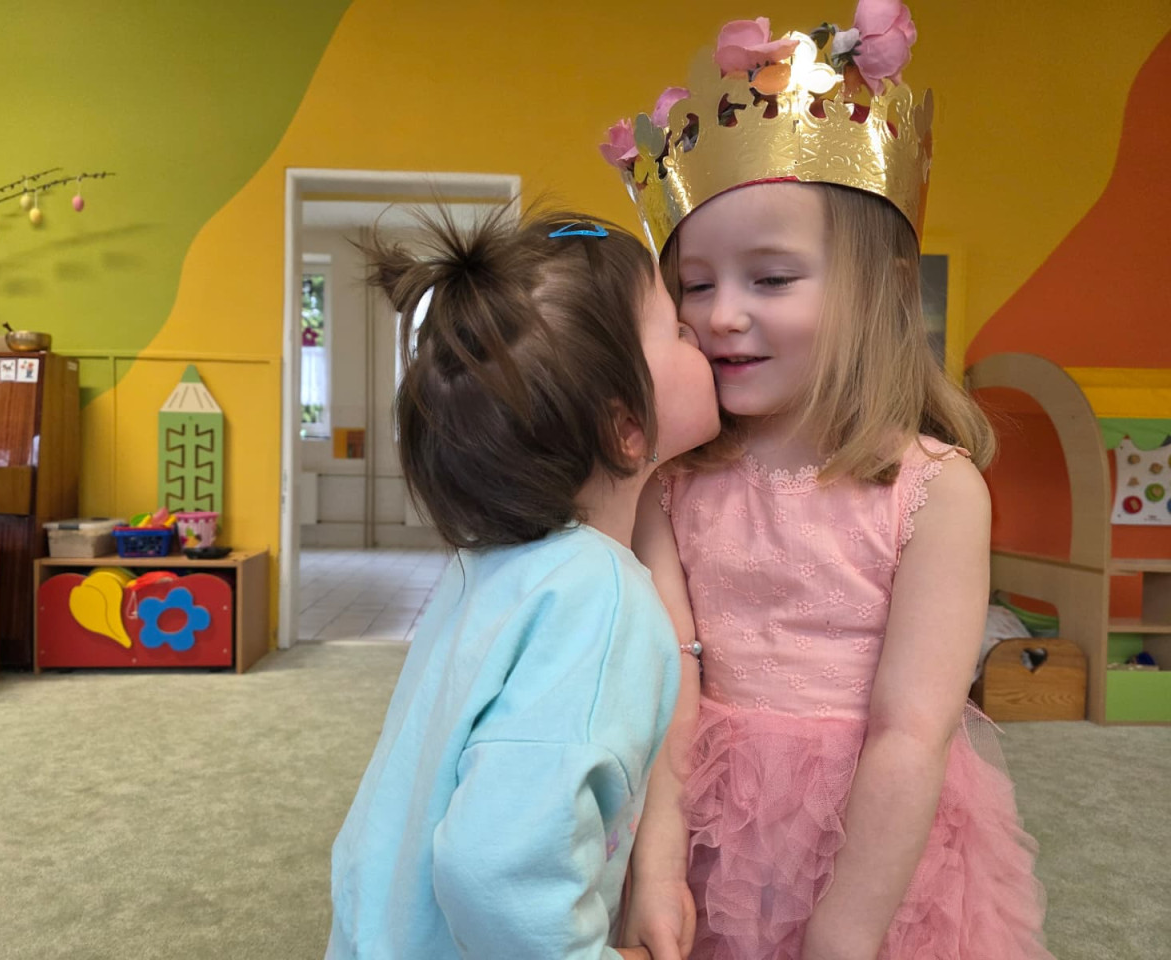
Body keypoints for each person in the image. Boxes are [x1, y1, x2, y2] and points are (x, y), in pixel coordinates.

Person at [599, 4, 1054, 959]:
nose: (722, 316)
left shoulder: (936, 491)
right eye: (695, 285)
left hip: (875, 856)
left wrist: (842, 937)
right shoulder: (671, 487)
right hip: (705, 828)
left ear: (879, 288)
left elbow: (911, 731)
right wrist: (657, 869)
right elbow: (663, 686)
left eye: (770, 280)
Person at [325, 207, 721, 959]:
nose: (701, 336)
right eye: (675, 329)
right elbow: (496, 870)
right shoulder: (599, 598)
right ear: (626, 428)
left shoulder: (495, 565)